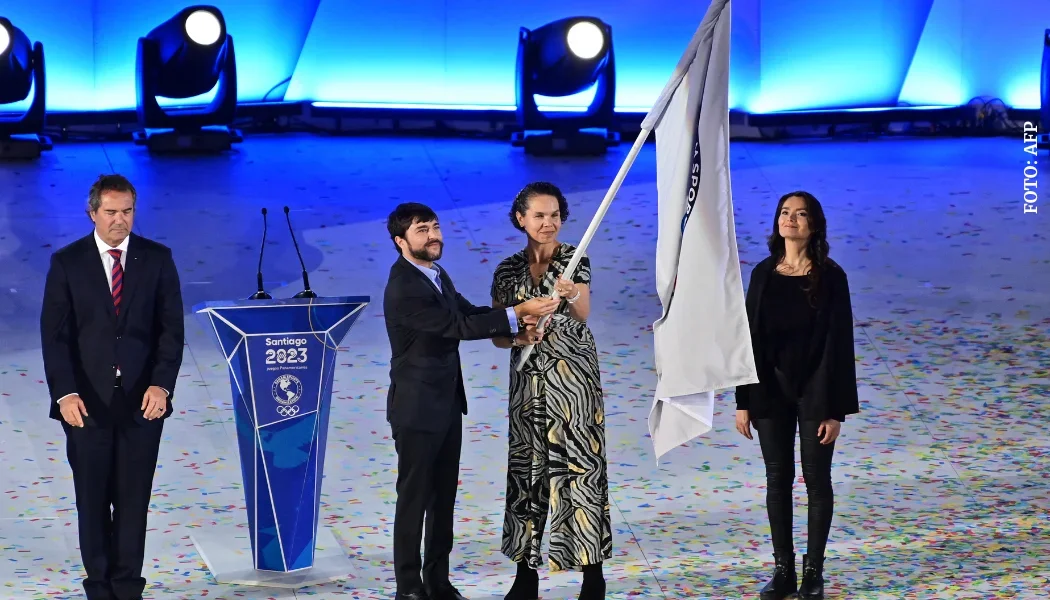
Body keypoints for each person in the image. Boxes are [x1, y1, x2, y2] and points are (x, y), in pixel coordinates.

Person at [383, 202, 560, 600]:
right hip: (416, 408)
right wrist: (516, 311)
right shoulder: (404, 286)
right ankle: (409, 587)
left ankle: (438, 582)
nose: (432, 235)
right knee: (414, 497)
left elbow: (468, 311)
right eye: (421, 230)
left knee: (443, 497)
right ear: (400, 241)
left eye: (434, 226)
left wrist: (516, 328)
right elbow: (456, 326)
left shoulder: (434, 274)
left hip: (446, 404)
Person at [40, 174, 185, 600]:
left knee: (133, 500)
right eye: (111, 212)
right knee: (92, 499)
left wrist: (162, 385)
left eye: (127, 212)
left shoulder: (157, 259)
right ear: (92, 213)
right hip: (86, 404)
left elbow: (170, 331)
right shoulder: (68, 262)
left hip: (143, 404)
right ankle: (99, 587)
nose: (120, 220)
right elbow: (56, 335)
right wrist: (65, 393)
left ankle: (127, 587)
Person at [734, 191, 859, 600]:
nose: (791, 220)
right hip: (769, 390)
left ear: (814, 224)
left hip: (816, 393)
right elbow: (747, 339)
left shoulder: (831, 276)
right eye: (785, 213)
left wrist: (835, 409)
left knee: (817, 480)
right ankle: (783, 569)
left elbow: (839, 346)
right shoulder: (764, 273)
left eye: (800, 214)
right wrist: (743, 400)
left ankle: (813, 574)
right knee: (777, 478)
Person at [489, 182, 612, 600]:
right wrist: (518, 337)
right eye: (539, 215)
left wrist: (570, 291)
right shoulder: (507, 270)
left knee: (580, 471)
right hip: (528, 382)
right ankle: (526, 576)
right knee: (527, 472)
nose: (548, 223)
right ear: (521, 218)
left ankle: (592, 575)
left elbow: (582, 312)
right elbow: (498, 334)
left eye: (555, 214)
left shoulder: (574, 258)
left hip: (573, 383)